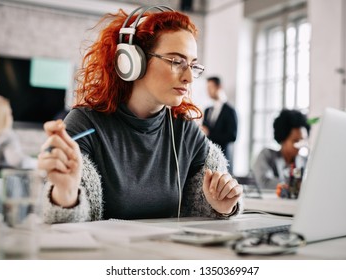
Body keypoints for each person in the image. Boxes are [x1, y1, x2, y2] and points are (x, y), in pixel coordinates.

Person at [37, 6, 243, 223]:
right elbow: (61, 230)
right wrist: (66, 195)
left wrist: (223, 206)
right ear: (132, 61)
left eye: (193, 65)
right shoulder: (85, 123)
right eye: (176, 61)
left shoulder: (184, 131)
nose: (189, 78)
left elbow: (204, 212)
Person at [252, 109, 310, 194]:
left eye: (303, 140)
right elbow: (265, 183)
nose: (300, 145)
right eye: (295, 141)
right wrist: (295, 185)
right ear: (283, 139)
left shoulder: (305, 161)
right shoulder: (267, 156)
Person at [0, 94, 37, 172]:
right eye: (9, 114)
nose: (11, 118)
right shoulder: (6, 136)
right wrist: (40, 163)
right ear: (2, 116)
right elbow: (19, 162)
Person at [202, 77, 238, 170]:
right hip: (206, 160)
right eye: (207, 88)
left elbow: (232, 136)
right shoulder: (207, 110)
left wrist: (210, 134)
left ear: (219, 87)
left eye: (210, 88)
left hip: (223, 159)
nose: (208, 91)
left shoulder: (230, 111)